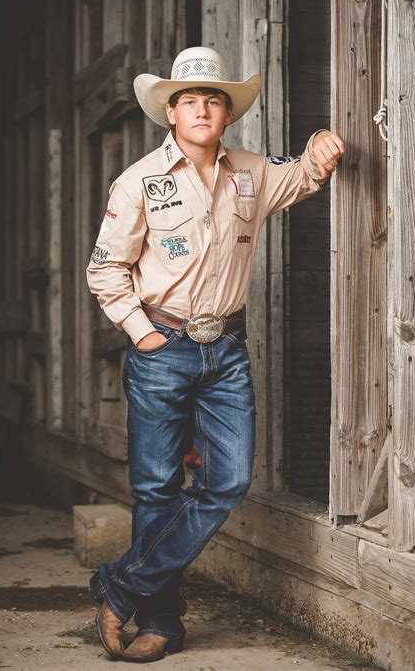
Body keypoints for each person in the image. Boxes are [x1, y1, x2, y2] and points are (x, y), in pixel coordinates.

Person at [86, 46, 344, 663]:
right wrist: (142, 332)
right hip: (162, 345)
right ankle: (162, 625)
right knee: (155, 487)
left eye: (212, 100)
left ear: (226, 115)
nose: (201, 109)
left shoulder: (251, 173)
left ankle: (122, 585)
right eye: (188, 101)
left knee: (227, 481)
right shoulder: (140, 180)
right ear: (170, 114)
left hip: (225, 349)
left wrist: (323, 143)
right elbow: (106, 269)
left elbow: (305, 172)